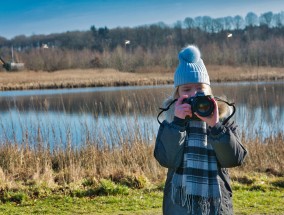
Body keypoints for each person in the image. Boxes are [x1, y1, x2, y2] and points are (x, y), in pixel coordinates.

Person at [154, 45, 247, 215]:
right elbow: (166, 159)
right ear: (177, 95)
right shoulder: (171, 121)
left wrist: (215, 126)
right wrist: (177, 124)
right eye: (186, 89)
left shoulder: (223, 119)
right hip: (179, 206)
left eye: (199, 88)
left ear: (209, 91)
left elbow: (234, 159)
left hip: (215, 207)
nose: (194, 94)